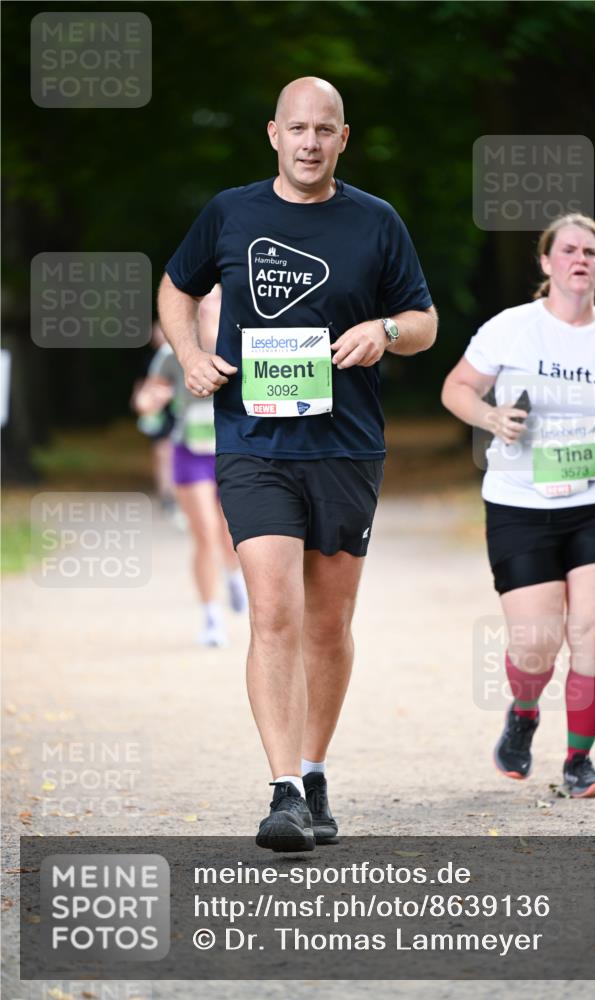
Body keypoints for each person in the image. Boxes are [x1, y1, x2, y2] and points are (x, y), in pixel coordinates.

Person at [157, 77, 437, 850]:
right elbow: (176, 288)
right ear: (273, 134)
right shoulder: (230, 212)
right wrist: (189, 355)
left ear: (343, 137)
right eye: (297, 128)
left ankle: (313, 770)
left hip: (346, 445)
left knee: (327, 623)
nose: (310, 142)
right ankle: (281, 792)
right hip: (254, 441)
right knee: (274, 611)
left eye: (325, 129)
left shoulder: (375, 221)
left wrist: (384, 329)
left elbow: (424, 321)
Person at [442, 214, 595, 797]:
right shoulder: (511, 329)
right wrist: (490, 417)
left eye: (591, 251)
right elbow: (456, 388)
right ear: (546, 263)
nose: (580, 259)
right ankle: (523, 712)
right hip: (520, 502)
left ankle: (579, 762)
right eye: (568, 250)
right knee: (536, 645)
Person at [134, 287, 247, 647]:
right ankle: (212, 617)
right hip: (190, 451)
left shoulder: (245, 345)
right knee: (205, 534)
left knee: (231, 535)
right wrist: (149, 402)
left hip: (235, 453)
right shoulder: (172, 353)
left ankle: (233, 576)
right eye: (201, 300)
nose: (207, 306)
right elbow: (147, 398)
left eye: (215, 298)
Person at [131, 321, 177, 515]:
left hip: (179, 411)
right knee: (162, 453)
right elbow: (141, 385)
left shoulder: (181, 358)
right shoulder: (149, 360)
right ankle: (166, 494)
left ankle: (179, 493)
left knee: (176, 452)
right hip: (159, 413)